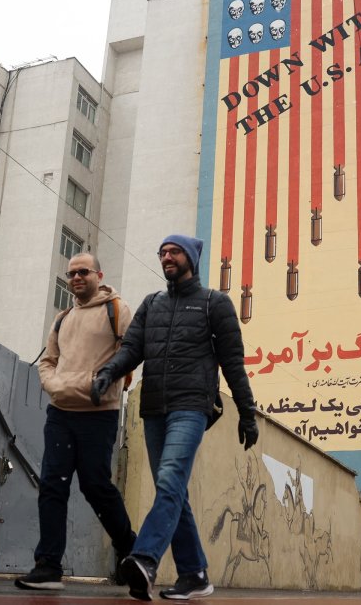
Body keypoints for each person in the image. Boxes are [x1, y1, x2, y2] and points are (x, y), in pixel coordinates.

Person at [91, 234, 258, 601]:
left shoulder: (215, 303)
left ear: (191, 259)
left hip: (191, 407)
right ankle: (194, 574)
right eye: (163, 251)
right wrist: (108, 373)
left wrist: (248, 414)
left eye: (174, 251)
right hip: (153, 409)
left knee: (168, 479)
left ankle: (145, 559)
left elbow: (232, 362)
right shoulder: (152, 305)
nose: (166, 256)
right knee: (173, 489)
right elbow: (132, 349)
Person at [15, 252, 138, 591]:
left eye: (83, 272)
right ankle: (48, 566)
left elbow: (132, 351)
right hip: (61, 412)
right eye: (70, 274)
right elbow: (48, 361)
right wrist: (54, 385)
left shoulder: (117, 310)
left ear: (99, 274)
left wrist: (105, 382)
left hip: (100, 413)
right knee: (53, 484)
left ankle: (130, 546)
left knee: (95, 486)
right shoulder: (62, 318)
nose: (76, 278)